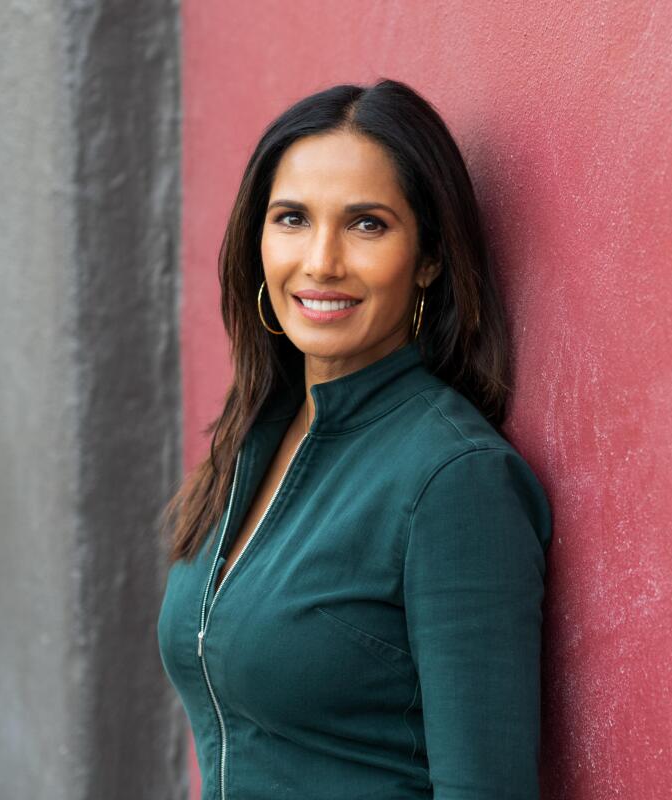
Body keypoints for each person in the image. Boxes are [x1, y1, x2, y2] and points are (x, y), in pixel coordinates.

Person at [156, 78, 553, 800]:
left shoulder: (452, 480)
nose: (321, 261)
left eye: (367, 224)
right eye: (292, 219)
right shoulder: (255, 436)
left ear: (429, 257)